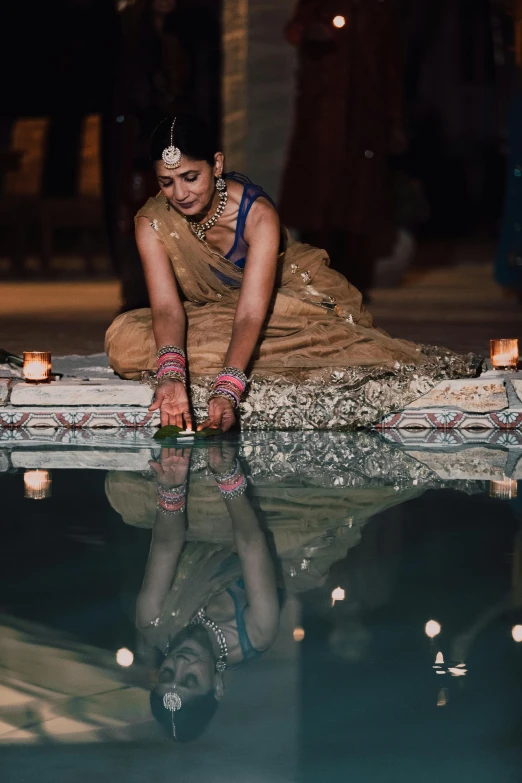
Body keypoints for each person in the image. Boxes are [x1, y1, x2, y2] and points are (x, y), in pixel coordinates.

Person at [104, 114, 479, 433]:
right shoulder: (153, 223)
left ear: (216, 165)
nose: (180, 193)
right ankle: (222, 359)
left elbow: (252, 313)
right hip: (214, 312)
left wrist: (228, 386)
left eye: (190, 177)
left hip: (286, 301)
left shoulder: (257, 215)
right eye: (166, 182)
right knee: (124, 340)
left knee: (318, 339)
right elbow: (168, 310)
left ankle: (235, 361)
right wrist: (171, 375)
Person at [133, 443, 281, 741]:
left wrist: (173, 485)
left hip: (199, 531)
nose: (180, 663)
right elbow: (252, 542)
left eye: (167, 675)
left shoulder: (153, 621)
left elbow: (165, 545)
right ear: (217, 686)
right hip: (257, 531)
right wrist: (227, 476)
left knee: (124, 492)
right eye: (190, 679)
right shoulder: (256, 634)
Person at [279, 0, 407, 299]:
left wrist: (395, 118)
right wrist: (314, 32)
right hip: (324, 114)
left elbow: (390, 63)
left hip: (365, 117)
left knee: (359, 199)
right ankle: (319, 277)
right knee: (319, 196)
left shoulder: (378, 9)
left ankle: (355, 281)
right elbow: (295, 30)